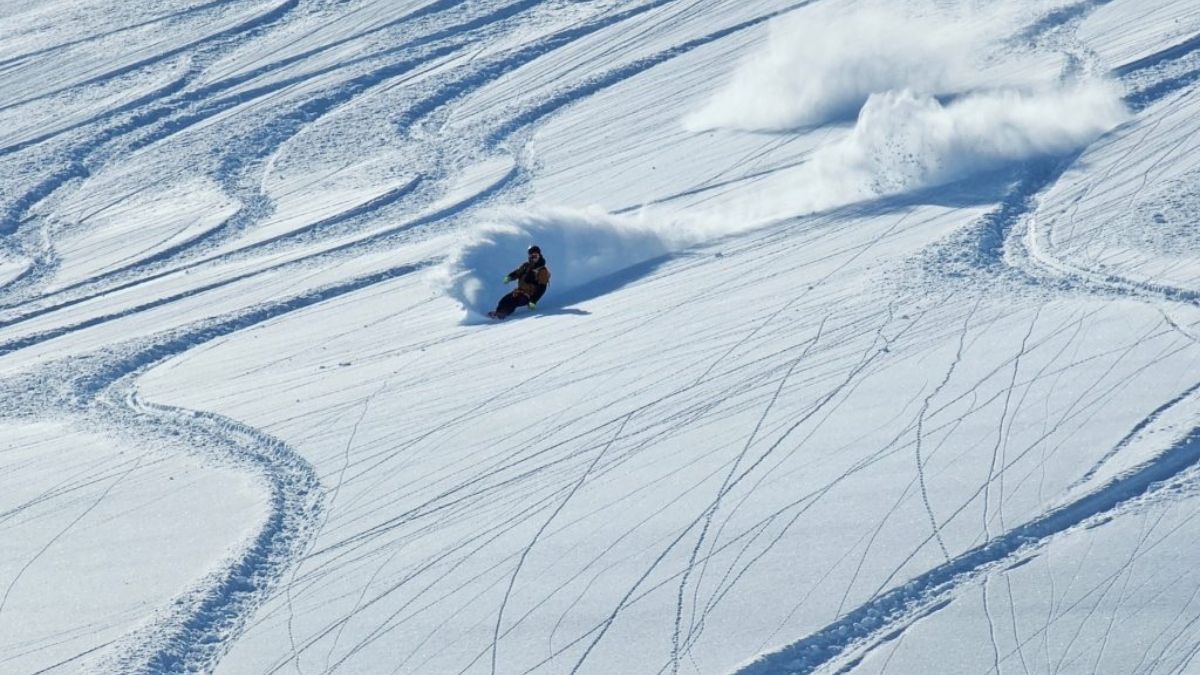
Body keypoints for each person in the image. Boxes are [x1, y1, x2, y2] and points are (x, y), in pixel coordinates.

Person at [489, 245, 550, 319]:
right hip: (519, 291)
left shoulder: (542, 270)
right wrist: (509, 277)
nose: (533, 258)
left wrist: (533, 301)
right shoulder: (526, 266)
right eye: (531, 256)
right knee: (504, 300)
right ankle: (497, 313)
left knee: (514, 301)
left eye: (535, 256)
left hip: (529, 295)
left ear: (539, 255)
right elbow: (517, 273)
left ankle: (502, 314)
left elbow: (542, 288)